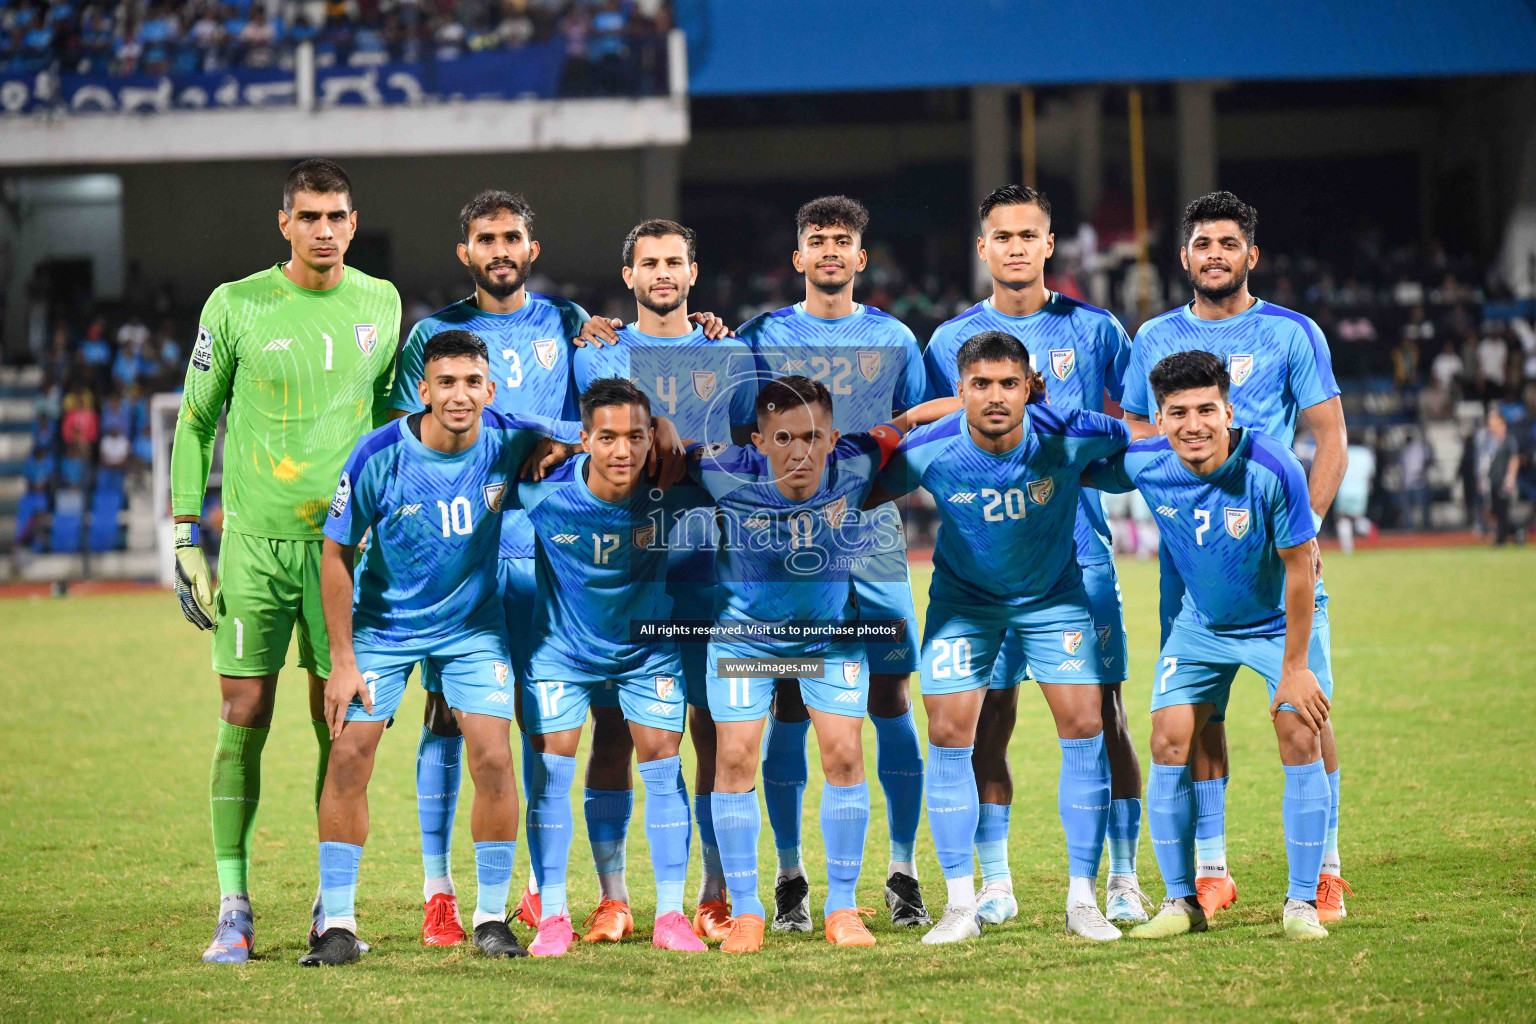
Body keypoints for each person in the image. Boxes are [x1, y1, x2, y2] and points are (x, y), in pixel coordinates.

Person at [392, 193, 721, 946]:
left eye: (512, 237)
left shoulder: (572, 324)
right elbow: (408, 431)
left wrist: (702, 326)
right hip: (466, 551)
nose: (500, 249)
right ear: (465, 251)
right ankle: (438, 891)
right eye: (486, 238)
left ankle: (544, 893)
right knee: (453, 716)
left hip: (552, 553)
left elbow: (611, 405)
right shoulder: (436, 335)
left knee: (547, 724)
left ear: (532, 249)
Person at [169, 159, 400, 963]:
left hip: (341, 549)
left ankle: (327, 904)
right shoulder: (235, 305)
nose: (325, 230)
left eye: (336, 216)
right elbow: (196, 423)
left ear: (353, 220)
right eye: (309, 216)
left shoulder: (381, 302)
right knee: (242, 718)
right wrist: (183, 534)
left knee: (336, 723)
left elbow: (385, 424)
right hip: (256, 547)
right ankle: (233, 904)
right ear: (285, 224)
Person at [301, 330, 577, 966]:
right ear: (422, 392)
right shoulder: (378, 455)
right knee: (349, 756)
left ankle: (488, 916)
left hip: (473, 629)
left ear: (490, 389)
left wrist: (559, 439)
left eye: (471, 383)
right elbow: (336, 555)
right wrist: (342, 661)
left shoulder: (509, 437)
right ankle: (338, 924)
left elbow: (585, 427)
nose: (459, 395)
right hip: (383, 629)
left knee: (494, 759)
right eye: (445, 384)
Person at [874, 331, 1153, 944]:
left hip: (1054, 599)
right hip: (964, 604)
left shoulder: (1068, 429)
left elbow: (1140, 444)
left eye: (1008, 383)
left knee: (1086, 728)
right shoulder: (930, 449)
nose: (995, 397)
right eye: (981, 385)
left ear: (1030, 386)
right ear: (961, 391)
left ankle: (1084, 900)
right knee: (951, 736)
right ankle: (960, 905)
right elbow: (866, 485)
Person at [1120, 191, 1352, 923]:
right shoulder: (1153, 336)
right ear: (1183, 257)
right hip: (1191, 560)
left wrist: (1303, 532)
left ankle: (1327, 868)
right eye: (1201, 243)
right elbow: (1132, 431)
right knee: (1196, 714)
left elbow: (1330, 438)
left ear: (1251, 255)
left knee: (1303, 708)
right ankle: (1211, 870)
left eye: (1228, 243)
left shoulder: (1292, 333)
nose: (1214, 254)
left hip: (1275, 547)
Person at [923, 184, 1146, 926]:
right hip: (983, 563)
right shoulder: (949, 340)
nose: (1016, 247)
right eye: (1002, 236)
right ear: (982, 247)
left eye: (1029, 235)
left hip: (1078, 556)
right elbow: (930, 435)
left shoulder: (1098, 329)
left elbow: (1133, 428)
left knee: (1103, 715)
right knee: (989, 716)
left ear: (1050, 245)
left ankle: (1119, 877)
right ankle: (993, 880)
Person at [686, 376, 959, 952]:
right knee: (733, 757)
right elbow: (656, 445)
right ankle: (749, 911)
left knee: (844, 753)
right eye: (782, 437)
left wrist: (980, 399)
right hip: (744, 641)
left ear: (834, 437)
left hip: (829, 639)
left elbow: (909, 421)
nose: (799, 450)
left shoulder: (856, 463)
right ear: (757, 441)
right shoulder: (720, 470)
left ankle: (841, 906)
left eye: (812, 436)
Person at [732, 196, 936, 932]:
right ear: (798, 256)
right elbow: (732, 432)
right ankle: (790, 875)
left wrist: (866, 483)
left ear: (859, 257)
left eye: (840, 241)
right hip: (787, 559)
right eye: (815, 240)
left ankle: (904, 868)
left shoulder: (896, 340)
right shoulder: (760, 336)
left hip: (875, 548)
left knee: (889, 702)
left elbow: (915, 432)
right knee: (789, 704)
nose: (827, 251)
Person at [1084, 350, 1334, 942]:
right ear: (1160, 418)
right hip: (1201, 625)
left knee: (1299, 729)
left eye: (1204, 410)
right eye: (1176, 413)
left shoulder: (1275, 467)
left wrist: (1295, 668)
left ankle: (1301, 903)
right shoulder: (1146, 460)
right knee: (1168, 737)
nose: (1192, 425)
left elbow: (1301, 572)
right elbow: (1073, 459)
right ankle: (1180, 902)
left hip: (1280, 623)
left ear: (1228, 410)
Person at [572, 219, 759, 943]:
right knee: (615, 732)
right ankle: (614, 897)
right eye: (648, 262)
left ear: (693, 271)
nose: (662, 273)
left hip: (711, 569)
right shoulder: (596, 355)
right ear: (628, 276)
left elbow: (744, 454)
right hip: (624, 574)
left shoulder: (729, 351)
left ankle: (713, 891)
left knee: (713, 730)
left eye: (674, 261)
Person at [517, 378, 713, 956]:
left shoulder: (670, 487)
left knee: (663, 766)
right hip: (563, 652)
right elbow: (487, 432)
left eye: (634, 436)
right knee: (552, 772)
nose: (622, 451)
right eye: (606, 438)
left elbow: (746, 461)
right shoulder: (545, 491)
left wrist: (679, 440)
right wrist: (552, 441)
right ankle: (553, 914)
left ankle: (671, 915)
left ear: (651, 438)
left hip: (645, 648)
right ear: (585, 439)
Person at [1484, 408, 1521, 545]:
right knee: (1495, 509)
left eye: (1492, 420)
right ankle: (1516, 531)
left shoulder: (1508, 439)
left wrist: (1510, 478)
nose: (1490, 424)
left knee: (1502, 510)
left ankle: (1501, 539)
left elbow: (1514, 459)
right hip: (1493, 479)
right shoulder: (1490, 441)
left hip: (1504, 480)